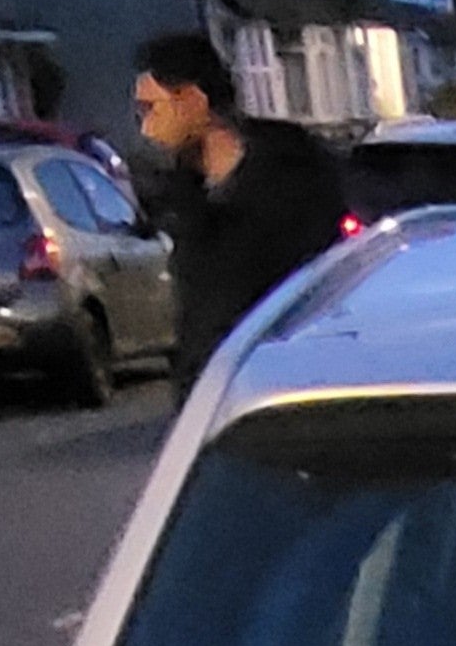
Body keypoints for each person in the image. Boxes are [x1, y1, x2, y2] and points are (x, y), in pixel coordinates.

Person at [130, 30, 346, 391]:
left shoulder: (293, 179)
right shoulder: (183, 193)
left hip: (290, 389)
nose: (145, 128)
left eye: (151, 108)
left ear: (192, 100)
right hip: (217, 396)